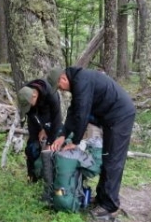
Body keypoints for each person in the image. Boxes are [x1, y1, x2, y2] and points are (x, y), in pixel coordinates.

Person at [46, 67, 135, 220]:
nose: (61, 90)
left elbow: (82, 114)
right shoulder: (79, 81)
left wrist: (75, 141)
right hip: (110, 117)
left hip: (120, 116)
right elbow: (73, 111)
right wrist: (62, 135)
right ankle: (102, 198)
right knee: (107, 157)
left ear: (63, 79)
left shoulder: (82, 81)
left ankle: (110, 206)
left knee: (113, 160)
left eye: (59, 86)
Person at [17, 77, 63, 182]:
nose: (28, 107)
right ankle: (32, 178)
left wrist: (49, 138)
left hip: (51, 119)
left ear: (34, 96)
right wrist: (40, 129)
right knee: (31, 148)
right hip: (35, 118)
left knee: (49, 151)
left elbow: (57, 119)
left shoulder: (51, 95)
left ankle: (50, 180)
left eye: (29, 105)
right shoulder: (26, 92)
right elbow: (30, 113)